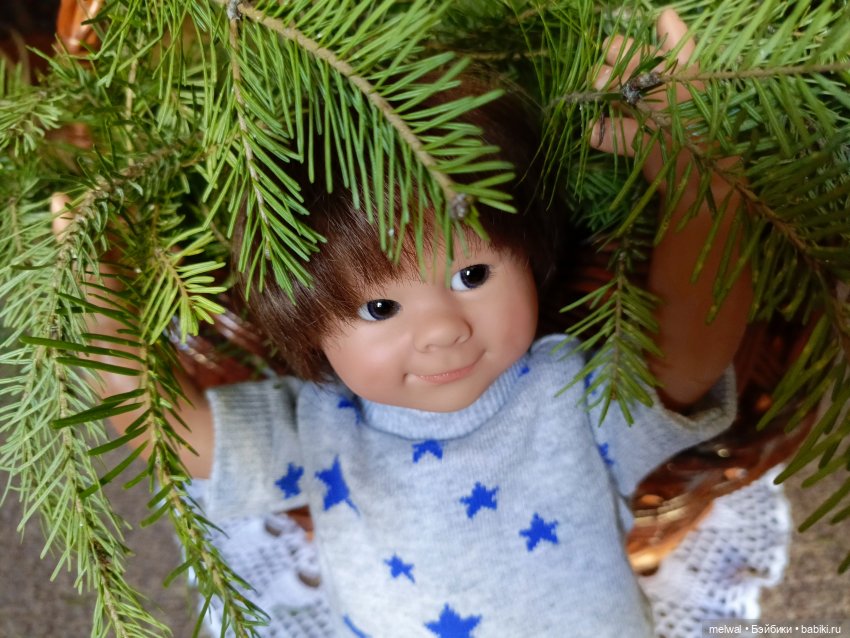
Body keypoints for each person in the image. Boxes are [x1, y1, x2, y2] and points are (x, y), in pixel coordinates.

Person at [67, 9, 752, 638]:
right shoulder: (323, 424)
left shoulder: (562, 394)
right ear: (309, 328)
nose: (442, 330)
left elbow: (686, 355)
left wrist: (703, 185)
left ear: (530, 254)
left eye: (472, 275)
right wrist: (89, 293)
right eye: (380, 308)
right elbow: (177, 433)